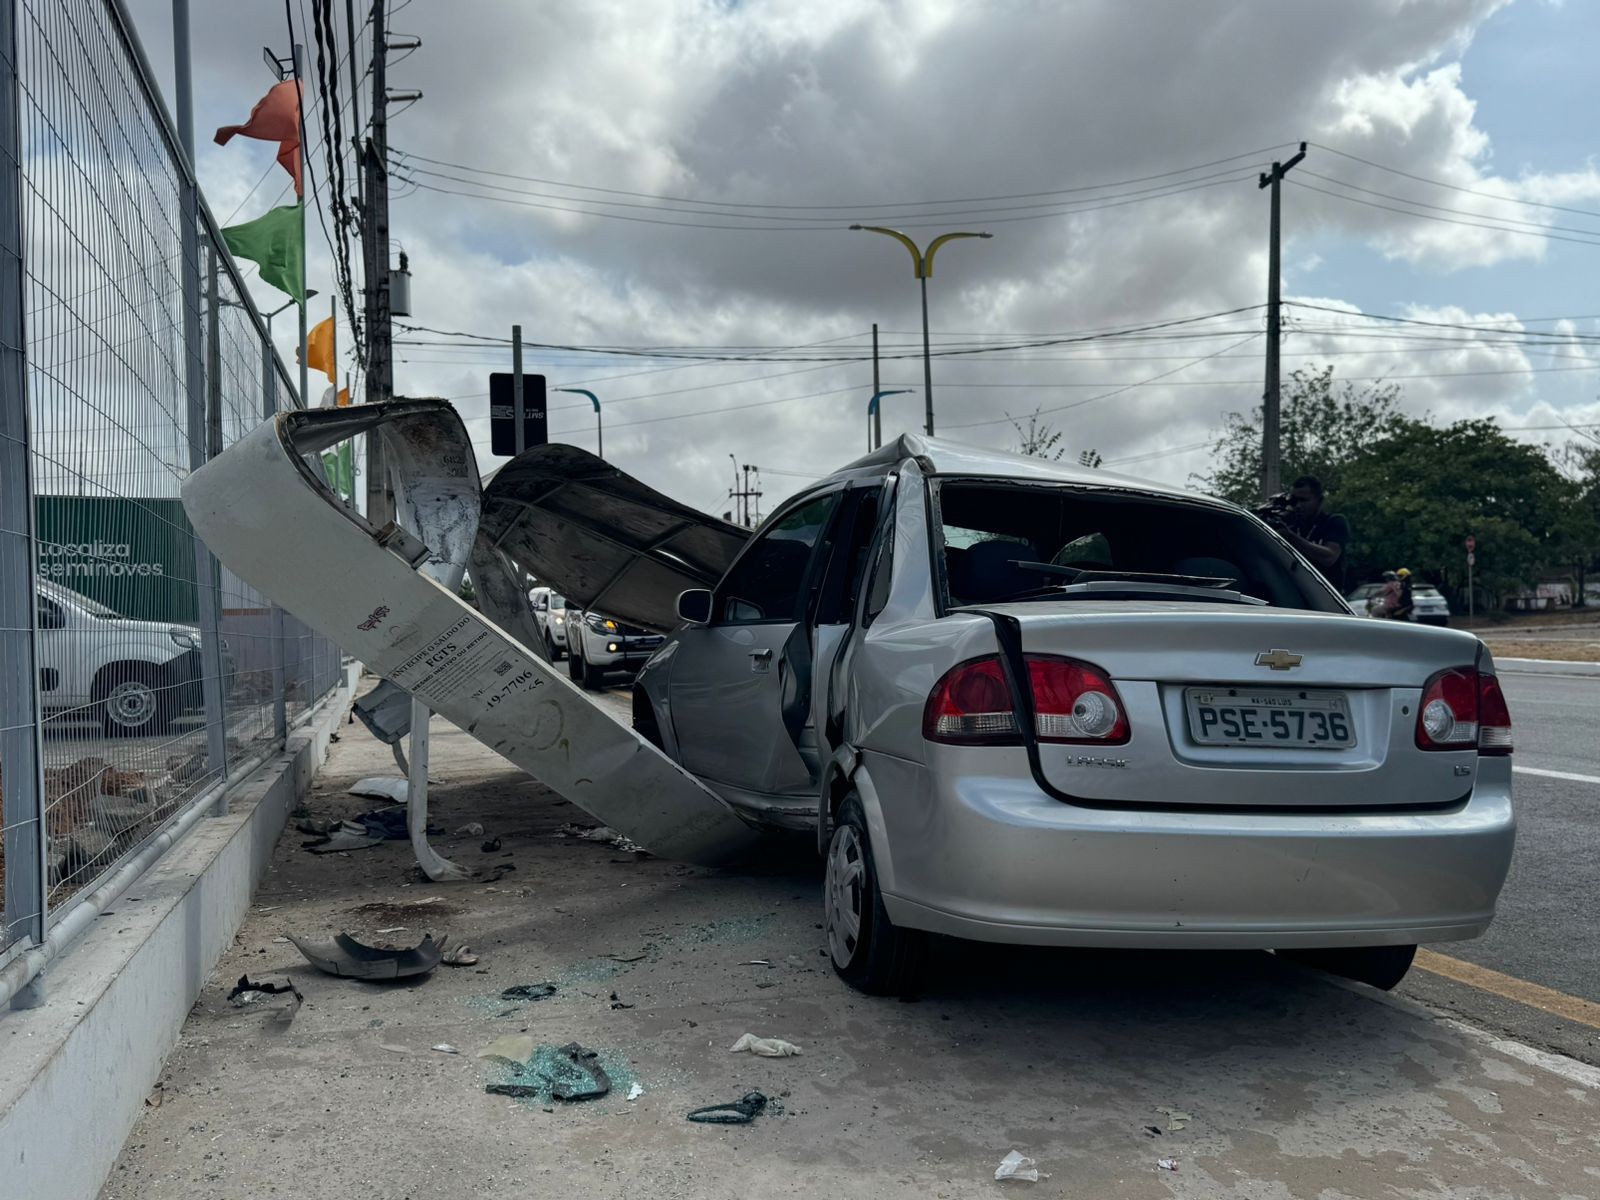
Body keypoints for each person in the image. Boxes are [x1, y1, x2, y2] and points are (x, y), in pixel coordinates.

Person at [1279, 475, 1351, 591]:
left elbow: (1330, 557)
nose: (1297, 505)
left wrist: (1290, 537)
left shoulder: (1334, 521)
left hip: (1325, 597)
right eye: (1294, 500)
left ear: (1320, 501)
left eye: (1304, 500)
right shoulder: (1289, 522)